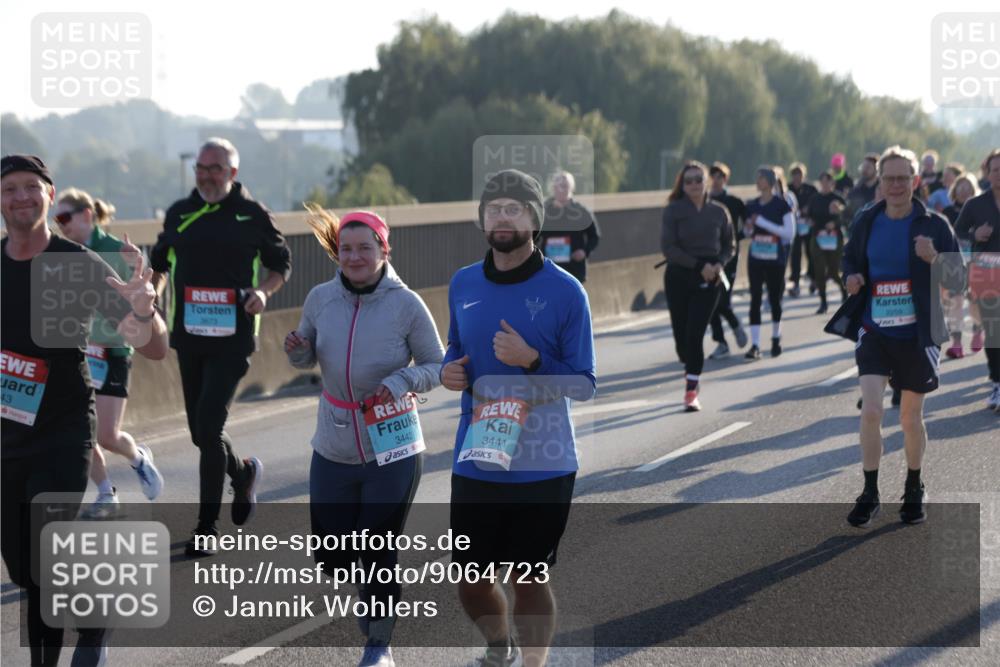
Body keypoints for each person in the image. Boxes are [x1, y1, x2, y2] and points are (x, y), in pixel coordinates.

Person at [1, 154, 168, 666]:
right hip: (7, 438)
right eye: (10, 189)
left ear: (51, 198)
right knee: (27, 569)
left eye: (32, 187)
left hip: (64, 430)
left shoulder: (78, 264)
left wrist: (144, 309)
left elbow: (154, 348)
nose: (21, 197)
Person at [440, 169, 596, 667]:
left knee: (528, 577)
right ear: (481, 219)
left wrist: (532, 360)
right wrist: (450, 370)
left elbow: (583, 384)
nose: (502, 217)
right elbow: (456, 347)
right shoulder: (463, 282)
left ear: (535, 218)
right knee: (470, 581)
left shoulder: (566, 291)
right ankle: (498, 646)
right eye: (493, 208)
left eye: (514, 208)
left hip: (544, 461)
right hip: (477, 457)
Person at [285, 205, 444, 667]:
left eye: (364, 248)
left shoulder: (406, 304)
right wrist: (298, 350)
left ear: (383, 250)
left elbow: (437, 365)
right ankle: (370, 601)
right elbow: (307, 355)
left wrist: (397, 383)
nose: (354, 257)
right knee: (334, 554)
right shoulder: (320, 298)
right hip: (333, 440)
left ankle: (378, 644)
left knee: (378, 545)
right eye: (347, 249)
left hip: (392, 444)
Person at [150, 138, 292, 556]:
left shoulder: (252, 214)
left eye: (216, 168)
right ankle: (243, 471)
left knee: (209, 427)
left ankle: (206, 527)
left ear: (232, 173)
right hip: (188, 336)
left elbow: (280, 264)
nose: (207, 175)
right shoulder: (180, 213)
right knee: (200, 433)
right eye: (201, 167)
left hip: (233, 338)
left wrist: (264, 292)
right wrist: (149, 296)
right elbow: (159, 264)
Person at [825, 145, 964, 527]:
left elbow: (959, 280)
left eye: (904, 178)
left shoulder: (934, 226)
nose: (897, 185)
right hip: (874, 330)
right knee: (871, 409)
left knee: (909, 415)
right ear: (880, 182)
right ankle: (870, 492)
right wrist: (851, 278)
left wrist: (934, 257)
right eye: (890, 178)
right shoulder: (868, 220)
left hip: (917, 334)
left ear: (916, 181)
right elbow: (849, 259)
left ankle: (914, 484)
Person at [52, 188, 164, 519]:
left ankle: (139, 459)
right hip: (78, 351)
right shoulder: (63, 254)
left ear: (86, 215)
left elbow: (148, 297)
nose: (59, 225)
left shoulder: (118, 251)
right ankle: (105, 493)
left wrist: (135, 276)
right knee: (80, 429)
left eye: (64, 218)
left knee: (107, 434)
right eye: (55, 219)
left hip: (113, 351)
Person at [661, 161, 735, 410]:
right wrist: (697, 266)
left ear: (706, 182)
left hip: (711, 277)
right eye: (688, 180)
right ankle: (689, 365)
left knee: (695, 335)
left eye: (698, 179)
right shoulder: (674, 210)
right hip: (679, 275)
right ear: (682, 185)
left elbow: (729, 245)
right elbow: (668, 247)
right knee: (682, 341)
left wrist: (719, 264)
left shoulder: (719, 211)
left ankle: (691, 390)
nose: (694, 184)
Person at [954, 148, 1000, 411]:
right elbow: (958, 230)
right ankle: (996, 382)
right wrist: (975, 234)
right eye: (995, 170)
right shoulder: (975, 205)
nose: (999, 174)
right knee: (994, 331)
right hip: (986, 274)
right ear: (987, 173)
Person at [743, 166, 795, 359]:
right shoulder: (751, 205)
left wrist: (762, 223)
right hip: (756, 258)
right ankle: (755, 345)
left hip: (776, 259)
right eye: (757, 178)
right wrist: (749, 228)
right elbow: (748, 232)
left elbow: (789, 234)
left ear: (770, 181)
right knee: (755, 298)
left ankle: (775, 337)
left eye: (761, 178)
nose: (757, 181)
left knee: (774, 299)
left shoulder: (782, 205)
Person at [707, 162, 749, 359]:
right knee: (708, 303)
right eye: (712, 176)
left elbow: (749, 226)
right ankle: (721, 342)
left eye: (719, 177)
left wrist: (736, 237)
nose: (715, 181)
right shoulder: (703, 202)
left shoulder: (734, 202)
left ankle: (735, 325)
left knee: (722, 301)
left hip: (728, 258)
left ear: (725, 180)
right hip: (708, 259)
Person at [942, 173, 983, 359]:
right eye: (961, 186)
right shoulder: (947, 212)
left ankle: (977, 331)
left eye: (968, 186)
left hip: (977, 262)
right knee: (955, 303)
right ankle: (957, 344)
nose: (964, 190)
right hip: (953, 262)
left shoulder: (981, 210)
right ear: (954, 189)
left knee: (975, 302)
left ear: (974, 190)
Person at [537, 171, 601, 283]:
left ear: (571, 188)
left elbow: (594, 237)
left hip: (574, 271)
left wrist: (584, 252)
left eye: (564, 186)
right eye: (558, 186)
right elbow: (533, 237)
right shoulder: (543, 212)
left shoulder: (581, 212)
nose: (561, 189)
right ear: (553, 188)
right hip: (549, 270)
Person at [806, 172, 849, 314]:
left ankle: (844, 293)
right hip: (818, 237)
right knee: (819, 270)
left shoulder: (838, 198)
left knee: (833, 271)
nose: (824, 184)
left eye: (827, 182)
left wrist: (836, 221)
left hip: (834, 238)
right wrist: (809, 221)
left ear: (832, 183)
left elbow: (848, 217)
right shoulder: (815, 198)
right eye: (822, 182)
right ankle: (823, 302)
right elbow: (809, 215)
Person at [787, 162, 818, 298]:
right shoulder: (787, 189)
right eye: (794, 175)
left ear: (803, 176)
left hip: (808, 226)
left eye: (799, 175)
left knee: (811, 253)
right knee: (795, 255)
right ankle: (796, 282)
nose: (797, 178)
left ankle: (813, 279)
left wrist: (809, 212)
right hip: (794, 227)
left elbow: (819, 204)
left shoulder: (811, 189)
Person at [846, 153, 880, 220]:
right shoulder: (855, 190)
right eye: (863, 167)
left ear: (876, 170)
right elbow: (849, 213)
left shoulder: (882, 190)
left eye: (868, 167)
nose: (864, 170)